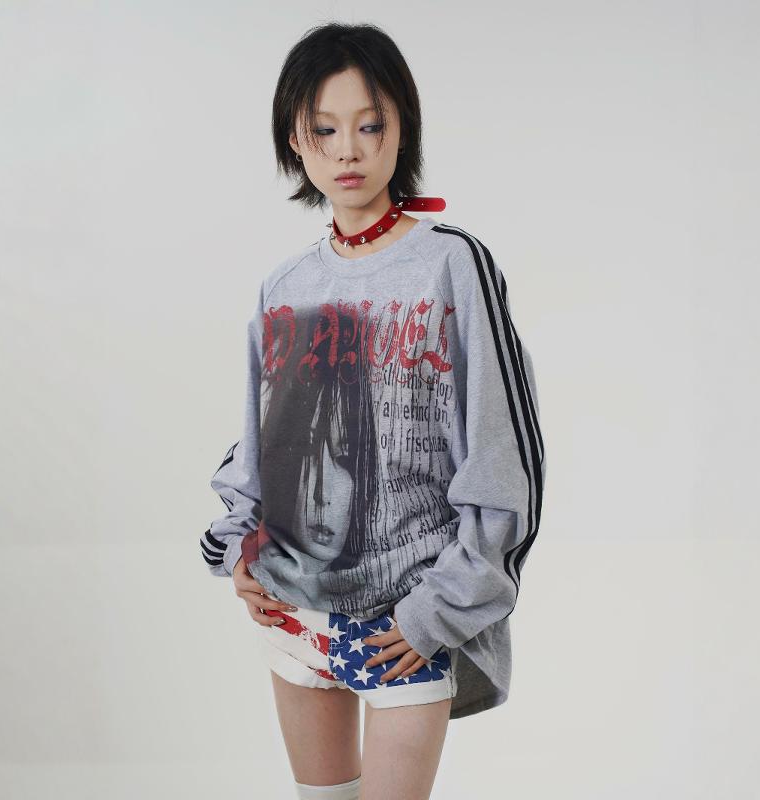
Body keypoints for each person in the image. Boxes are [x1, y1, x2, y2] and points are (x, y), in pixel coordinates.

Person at [199, 20, 546, 800]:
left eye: (370, 125)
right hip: (295, 614)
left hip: (406, 621)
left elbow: (505, 455)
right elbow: (263, 442)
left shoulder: (452, 264)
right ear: (296, 141)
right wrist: (238, 547)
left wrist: (439, 611)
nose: (347, 150)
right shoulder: (286, 285)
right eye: (324, 130)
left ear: (401, 130)